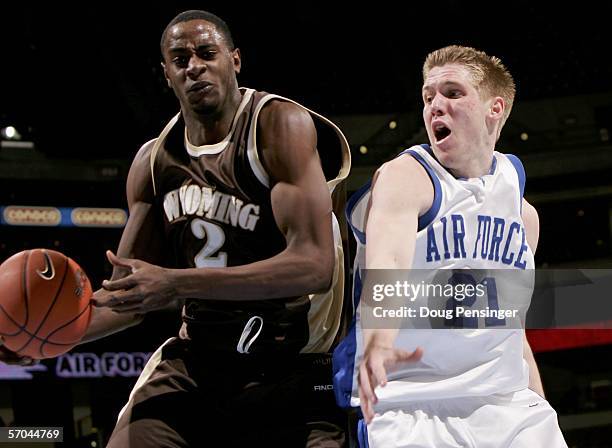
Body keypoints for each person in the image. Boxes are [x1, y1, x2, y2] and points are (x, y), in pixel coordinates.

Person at [2, 9, 351, 447]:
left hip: (295, 364)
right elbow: (128, 299)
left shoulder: (277, 126)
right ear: (167, 74)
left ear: (234, 60)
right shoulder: (153, 162)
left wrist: (175, 282)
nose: (195, 66)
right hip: (200, 363)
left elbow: (314, 266)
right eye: (180, 59)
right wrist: (44, 338)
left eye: (207, 53)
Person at [332, 45, 567, 447]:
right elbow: (387, 264)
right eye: (428, 97)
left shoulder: (523, 214)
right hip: (410, 402)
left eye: (452, 93)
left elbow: (512, 329)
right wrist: (379, 342)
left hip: (504, 404)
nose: (435, 106)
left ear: (496, 108)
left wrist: (538, 404)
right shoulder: (407, 176)